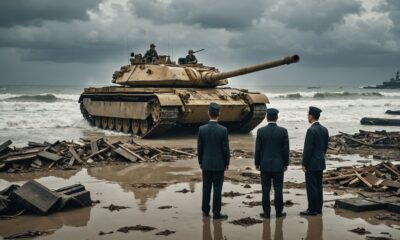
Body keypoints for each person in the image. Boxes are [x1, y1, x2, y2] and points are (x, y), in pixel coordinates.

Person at [255, 108, 289, 219]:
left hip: (264, 165)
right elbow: (285, 150)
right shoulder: (283, 131)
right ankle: (279, 212)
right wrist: (285, 163)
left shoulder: (260, 131)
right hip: (279, 165)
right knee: (278, 189)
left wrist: (257, 163)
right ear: (277, 118)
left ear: (266, 118)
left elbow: (258, 149)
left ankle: (266, 213)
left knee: (265, 189)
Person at [197, 102, 230, 219]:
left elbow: (199, 148)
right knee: (217, 188)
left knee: (206, 187)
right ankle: (216, 213)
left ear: (208, 114)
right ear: (219, 114)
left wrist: (200, 162)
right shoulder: (223, 130)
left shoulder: (202, 129)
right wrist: (227, 163)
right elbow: (225, 149)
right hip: (219, 164)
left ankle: (205, 211)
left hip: (206, 163)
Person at [300, 106, 329, 216]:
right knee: (319, 186)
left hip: (311, 163)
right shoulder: (324, 129)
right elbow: (325, 147)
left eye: (308, 115)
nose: (307, 117)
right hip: (320, 162)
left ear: (311, 116)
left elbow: (308, 149)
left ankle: (311, 210)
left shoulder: (311, 130)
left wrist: (304, 163)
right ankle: (319, 209)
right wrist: (321, 157)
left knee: (311, 187)